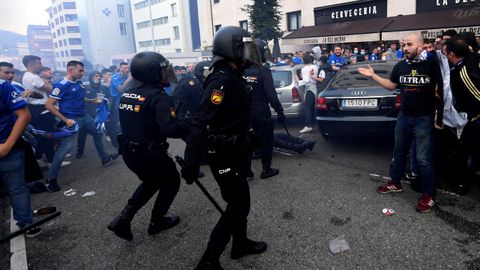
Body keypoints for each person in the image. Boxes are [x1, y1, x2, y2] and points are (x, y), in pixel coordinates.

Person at [181, 26, 267, 270]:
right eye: (245, 48)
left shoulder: (233, 75)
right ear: (232, 50)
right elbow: (200, 120)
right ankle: (209, 259)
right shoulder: (221, 79)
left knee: (236, 202)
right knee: (239, 205)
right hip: (224, 154)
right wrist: (191, 161)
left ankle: (239, 244)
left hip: (237, 150)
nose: (249, 54)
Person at [357, 32, 444, 213]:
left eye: (409, 44)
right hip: (404, 116)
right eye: (403, 44)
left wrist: (440, 114)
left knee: (423, 158)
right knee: (399, 152)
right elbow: (391, 85)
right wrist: (372, 76)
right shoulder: (400, 65)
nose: (405, 48)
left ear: (420, 46)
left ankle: (428, 195)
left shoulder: (432, 64)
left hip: (424, 117)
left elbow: (442, 89)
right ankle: (395, 183)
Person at [107, 52, 189, 241]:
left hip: (130, 152)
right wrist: (188, 124)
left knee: (152, 181)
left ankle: (123, 219)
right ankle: (157, 221)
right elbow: (170, 129)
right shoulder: (158, 97)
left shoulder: (128, 94)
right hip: (149, 153)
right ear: (151, 73)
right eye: (162, 70)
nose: (166, 73)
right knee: (171, 181)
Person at [45, 61, 118, 192]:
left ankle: (105, 158)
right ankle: (51, 179)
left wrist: (92, 101)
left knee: (98, 133)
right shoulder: (61, 85)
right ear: (70, 70)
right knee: (66, 147)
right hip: (72, 120)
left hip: (84, 116)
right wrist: (65, 119)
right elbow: (49, 105)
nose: (83, 73)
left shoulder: (78, 82)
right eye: (80, 71)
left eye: (83, 71)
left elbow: (79, 97)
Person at [0, 78, 42, 237]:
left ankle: (25, 222)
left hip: (6, 148)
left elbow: (24, 115)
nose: (10, 76)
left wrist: (7, 145)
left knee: (16, 187)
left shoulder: (3, 86)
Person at [244, 38, 285, 179]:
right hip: (261, 112)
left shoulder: (240, 72)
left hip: (244, 113)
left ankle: (247, 171)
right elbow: (272, 95)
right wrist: (280, 111)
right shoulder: (263, 71)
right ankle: (266, 169)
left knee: (247, 141)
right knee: (266, 140)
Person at [443, 37, 480, 177]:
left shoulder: (463, 72)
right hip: (471, 117)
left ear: (451, 54)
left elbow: (477, 95)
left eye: (445, 53)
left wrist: (472, 117)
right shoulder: (469, 60)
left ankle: (463, 179)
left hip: (475, 118)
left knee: (465, 147)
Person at [21, 55, 56, 167]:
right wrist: (47, 82)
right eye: (39, 63)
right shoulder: (32, 78)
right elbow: (50, 89)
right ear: (31, 63)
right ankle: (51, 161)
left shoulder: (29, 76)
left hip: (37, 109)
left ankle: (47, 158)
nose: (41, 65)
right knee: (48, 135)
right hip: (41, 109)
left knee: (45, 135)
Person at [76, 71, 106, 159]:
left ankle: (103, 155)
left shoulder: (103, 87)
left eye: (99, 76)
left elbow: (104, 99)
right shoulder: (85, 87)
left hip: (97, 114)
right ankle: (79, 153)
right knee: (82, 134)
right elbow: (81, 99)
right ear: (91, 77)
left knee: (98, 134)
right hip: (86, 114)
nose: (98, 77)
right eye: (96, 76)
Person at [298, 54, 324, 134]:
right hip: (315, 87)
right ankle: (314, 124)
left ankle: (308, 126)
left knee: (307, 107)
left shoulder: (304, 69)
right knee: (313, 107)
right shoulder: (315, 67)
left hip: (309, 89)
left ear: (303, 60)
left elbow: (306, 81)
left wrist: (298, 80)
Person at [108, 62, 131, 149]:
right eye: (125, 68)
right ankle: (118, 143)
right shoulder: (115, 77)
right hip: (117, 101)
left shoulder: (127, 76)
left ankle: (127, 139)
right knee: (119, 122)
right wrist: (129, 79)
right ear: (120, 68)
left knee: (127, 121)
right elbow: (121, 89)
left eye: (127, 68)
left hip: (127, 100)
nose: (127, 70)